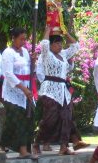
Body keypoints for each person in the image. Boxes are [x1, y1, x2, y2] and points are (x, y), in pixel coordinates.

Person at [34, 25, 88, 155]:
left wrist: (66, 33)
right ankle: (37, 142)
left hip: (63, 90)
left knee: (66, 117)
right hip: (50, 89)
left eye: (60, 43)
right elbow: (44, 45)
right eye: (57, 43)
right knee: (50, 119)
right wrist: (47, 31)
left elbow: (75, 47)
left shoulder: (63, 55)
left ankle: (64, 146)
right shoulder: (46, 55)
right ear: (51, 45)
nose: (59, 46)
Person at [0, 27, 36, 159]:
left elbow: (30, 71)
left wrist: (33, 62)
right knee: (18, 119)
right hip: (13, 92)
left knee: (28, 118)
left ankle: (5, 144)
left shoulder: (26, 52)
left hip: (26, 90)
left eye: (25, 39)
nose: (23, 42)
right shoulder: (8, 53)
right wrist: (23, 88)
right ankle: (22, 150)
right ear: (13, 38)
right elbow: (8, 74)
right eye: (21, 39)